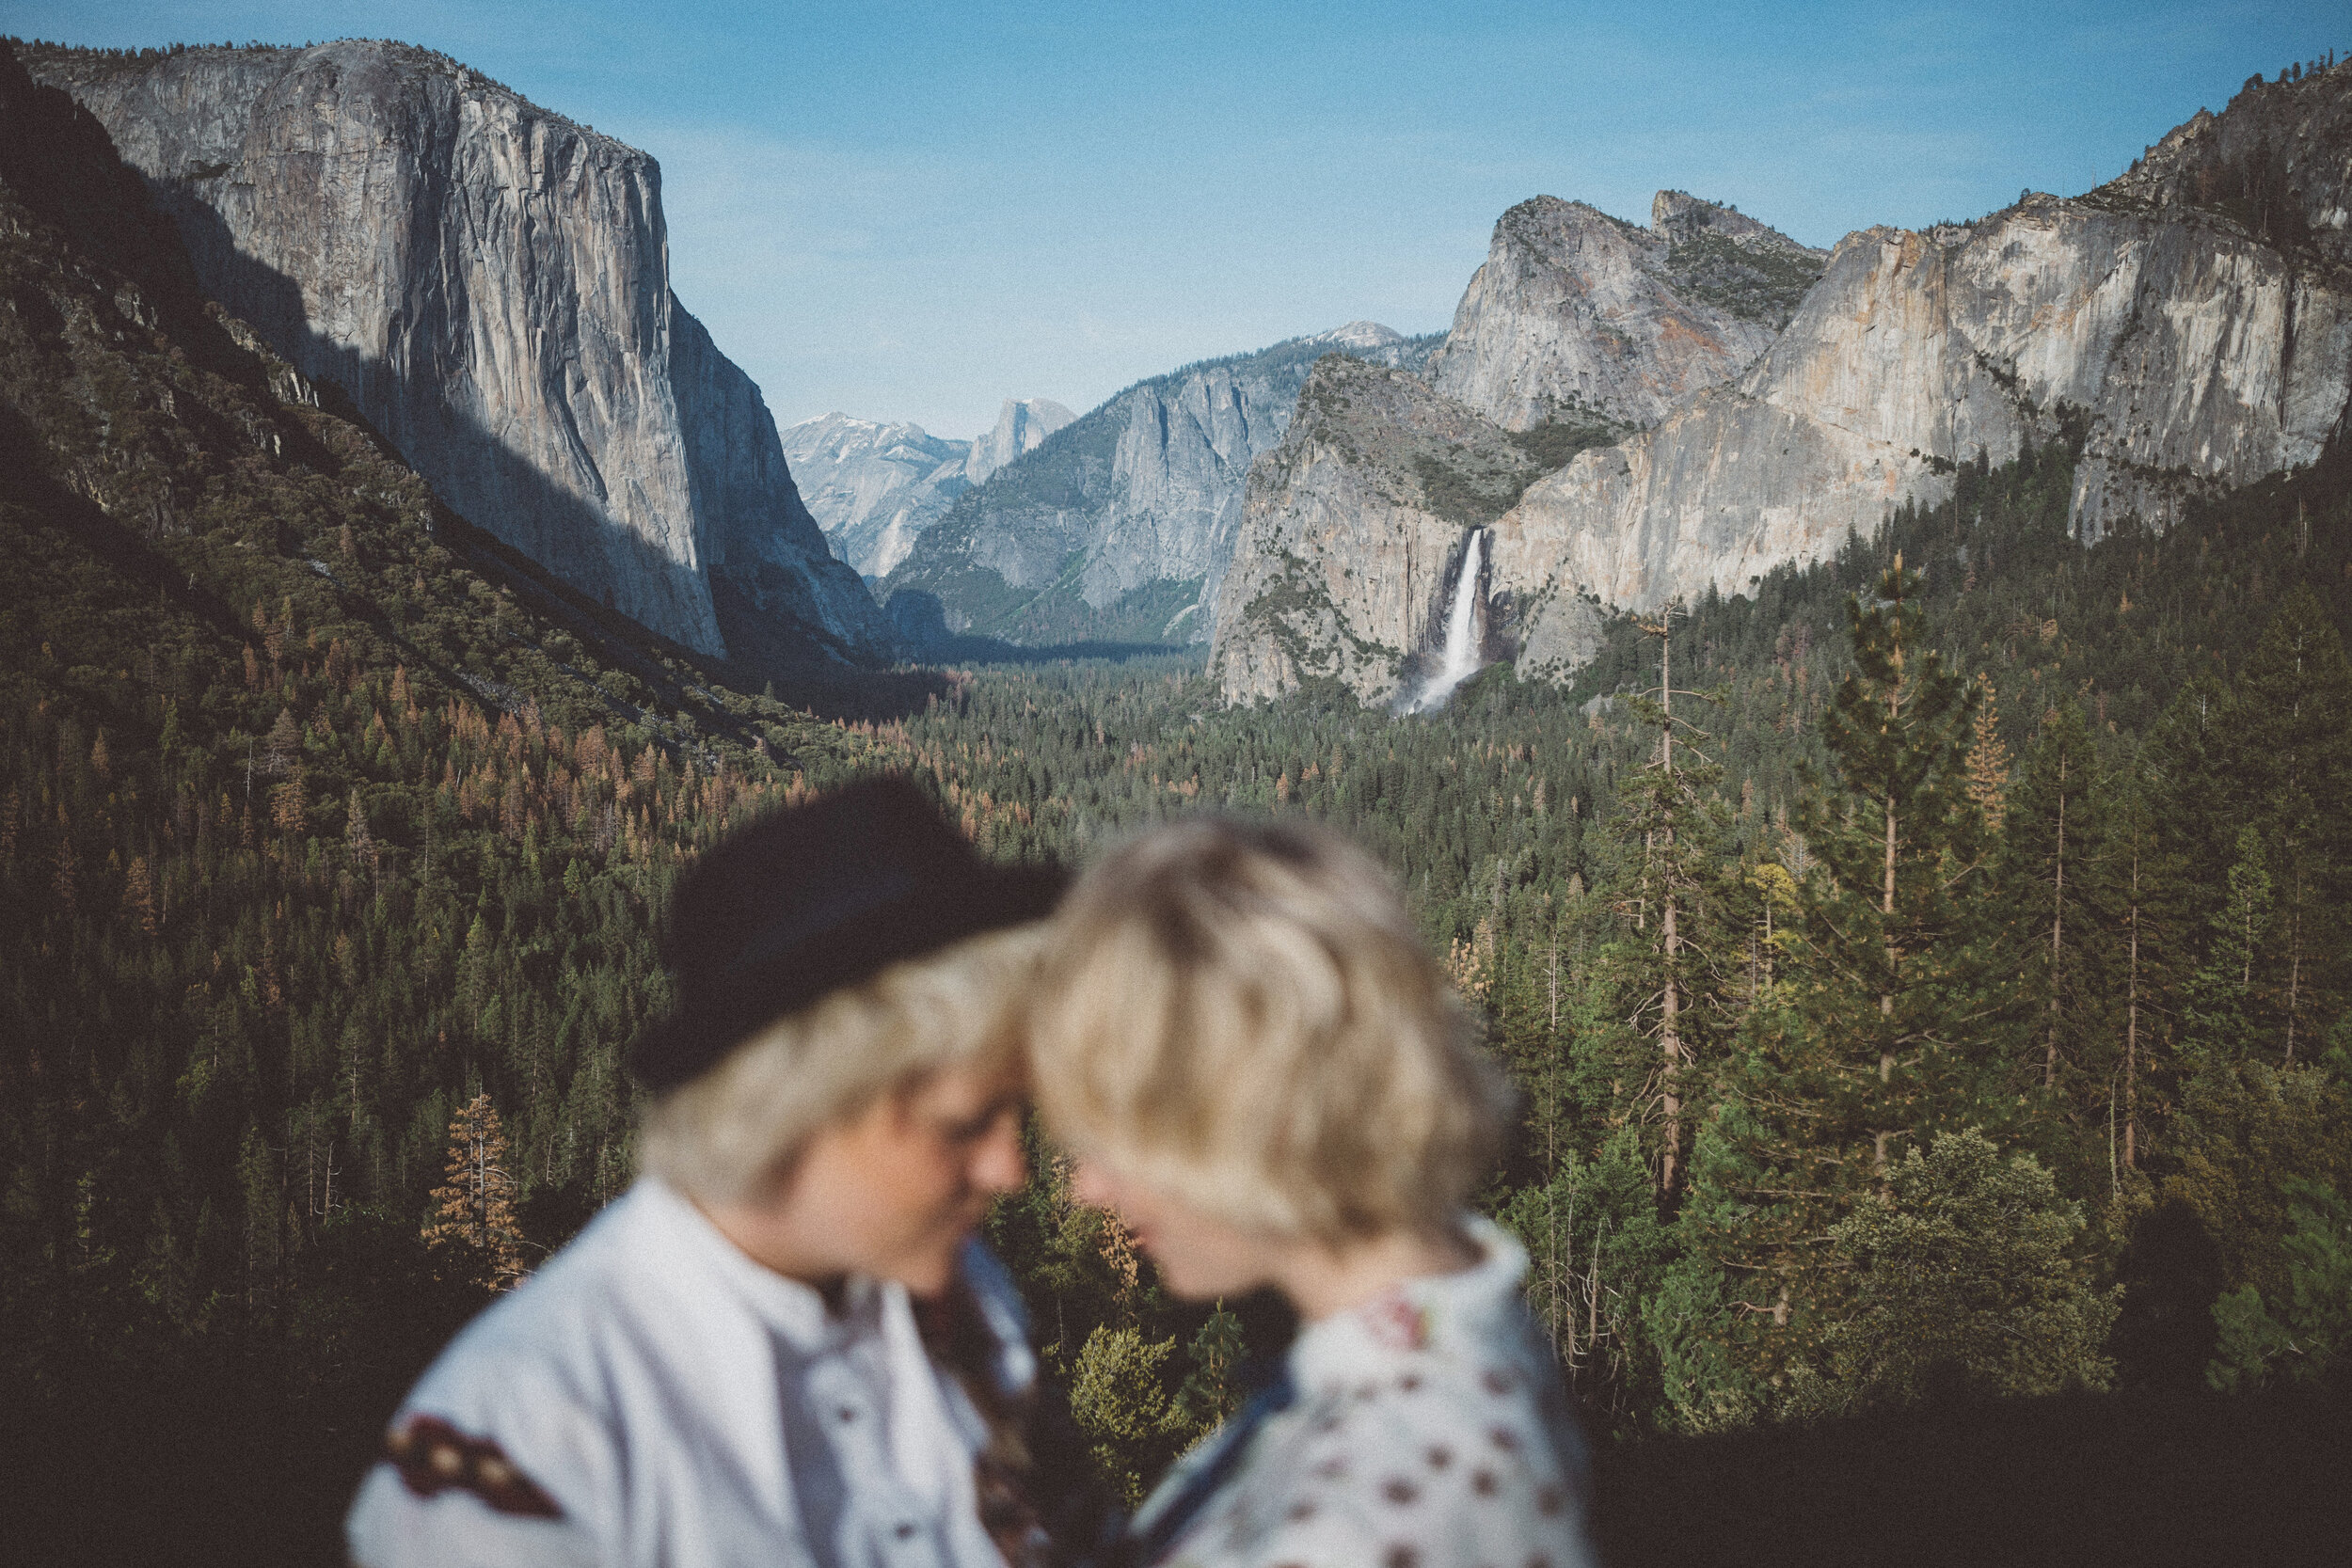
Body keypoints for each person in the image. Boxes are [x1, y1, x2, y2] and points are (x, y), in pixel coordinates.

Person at [346, 776, 1069, 1568]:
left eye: (1015, 1115)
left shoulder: (964, 1297)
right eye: (964, 1125)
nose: (1011, 1167)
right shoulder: (528, 1445)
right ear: (795, 1107)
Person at [1027, 818, 1597, 1568]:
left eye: (1115, 1141)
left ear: (1260, 1113)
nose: (1088, 1188)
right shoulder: (1459, 1320)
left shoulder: (1351, 1524)